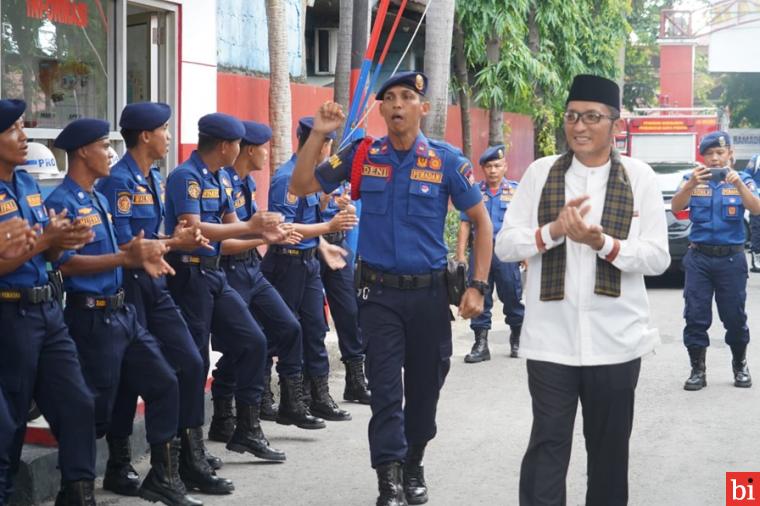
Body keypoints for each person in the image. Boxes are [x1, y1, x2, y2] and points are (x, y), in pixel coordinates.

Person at [289, 71, 492, 506]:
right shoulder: (363, 155)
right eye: (390, 98)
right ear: (381, 109)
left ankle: (414, 459)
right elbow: (301, 184)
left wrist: (477, 285)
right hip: (378, 296)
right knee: (385, 390)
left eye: (407, 97)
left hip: (430, 296)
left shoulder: (446, 160)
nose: (398, 104)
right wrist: (319, 135)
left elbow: (481, 221)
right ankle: (389, 480)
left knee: (425, 389)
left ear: (423, 108)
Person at [496, 74, 670, 505]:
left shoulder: (639, 177)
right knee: (547, 449)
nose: (579, 126)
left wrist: (603, 244)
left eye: (592, 117)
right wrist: (553, 230)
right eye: (572, 116)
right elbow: (505, 245)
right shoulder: (540, 174)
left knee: (609, 454)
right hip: (550, 342)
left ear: (615, 123)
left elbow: (657, 257)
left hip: (616, 343)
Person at [163, 113, 295, 482]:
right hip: (187, 275)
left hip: (214, 272)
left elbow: (231, 234)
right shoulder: (185, 177)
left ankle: (247, 428)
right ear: (225, 146)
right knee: (195, 363)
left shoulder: (221, 177)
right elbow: (193, 227)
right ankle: (190, 450)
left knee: (253, 340)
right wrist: (253, 227)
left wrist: (263, 235)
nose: (240, 149)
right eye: (237, 144)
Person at [94, 102, 213, 497]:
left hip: (156, 285)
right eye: (163, 129)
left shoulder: (153, 177)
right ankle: (121, 462)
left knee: (191, 361)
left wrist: (177, 239)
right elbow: (126, 243)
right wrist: (174, 242)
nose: (167, 135)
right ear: (145, 135)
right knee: (130, 377)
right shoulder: (118, 181)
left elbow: (155, 237)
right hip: (128, 286)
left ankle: (184, 457)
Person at [0, 99, 99, 505]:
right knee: (10, 423)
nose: (23, 137)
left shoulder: (25, 183)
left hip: (47, 310)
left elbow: (44, 251)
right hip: (11, 312)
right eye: (12, 130)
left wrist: (63, 243)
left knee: (78, 403)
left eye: (23, 127)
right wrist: (45, 241)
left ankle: (78, 494)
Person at [207, 119, 325, 443]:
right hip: (229, 272)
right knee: (241, 345)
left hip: (252, 270)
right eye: (263, 148)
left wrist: (267, 235)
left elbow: (251, 231)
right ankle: (225, 417)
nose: (267, 154)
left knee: (290, 328)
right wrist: (266, 237)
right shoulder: (223, 184)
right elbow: (224, 243)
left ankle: (291, 401)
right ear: (248, 150)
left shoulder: (245, 184)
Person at [262, 116, 358, 423]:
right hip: (286, 262)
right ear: (316, 142)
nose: (329, 149)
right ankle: (267, 396)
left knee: (316, 330)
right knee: (280, 331)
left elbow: (309, 223)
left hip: (308, 262)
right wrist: (327, 228)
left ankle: (317, 396)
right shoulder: (287, 178)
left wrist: (323, 241)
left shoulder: (315, 179)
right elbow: (285, 227)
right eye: (326, 142)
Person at [671, 132, 760, 391]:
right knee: (695, 315)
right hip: (699, 257)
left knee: (734, 316)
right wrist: (689, 186)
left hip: (731, 259)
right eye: (709, 154)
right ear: (703, 157)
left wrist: (739, 185)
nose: (715, 158)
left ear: (730, 154)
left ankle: (740, 364)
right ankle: (697, 370)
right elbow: (677, 207)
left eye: (720, 153)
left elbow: (756, 208)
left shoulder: (742, 180)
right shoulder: (692, 179)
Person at [456, 144, 524, 362]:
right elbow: (465, 225)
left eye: (497, 165)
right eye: (488, 166)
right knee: (480, 295)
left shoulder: (516, 191)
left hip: (506, 253)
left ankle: (517, 336)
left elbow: (525, 223)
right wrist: (460, 255)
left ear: (505, 167)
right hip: (480, 253)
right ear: (483, 169)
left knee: (512, 295)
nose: (493, 170)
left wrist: (526, 252)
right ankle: (481, 343)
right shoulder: (474, 193)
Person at [319, 181, 372, 404]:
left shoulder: (333, 174)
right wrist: (325, 201)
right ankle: (313, 387)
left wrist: (342, 206)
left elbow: (340, 207)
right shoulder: (301, 176)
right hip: (313, 247)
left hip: (338, 245)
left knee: (350, 313)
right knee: (313, 320)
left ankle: (355, 381)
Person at [742, 154, 760, 272]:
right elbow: (746, 176)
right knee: (757, 231)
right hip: (757, 202)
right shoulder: (756, 159)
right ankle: (757, 261)